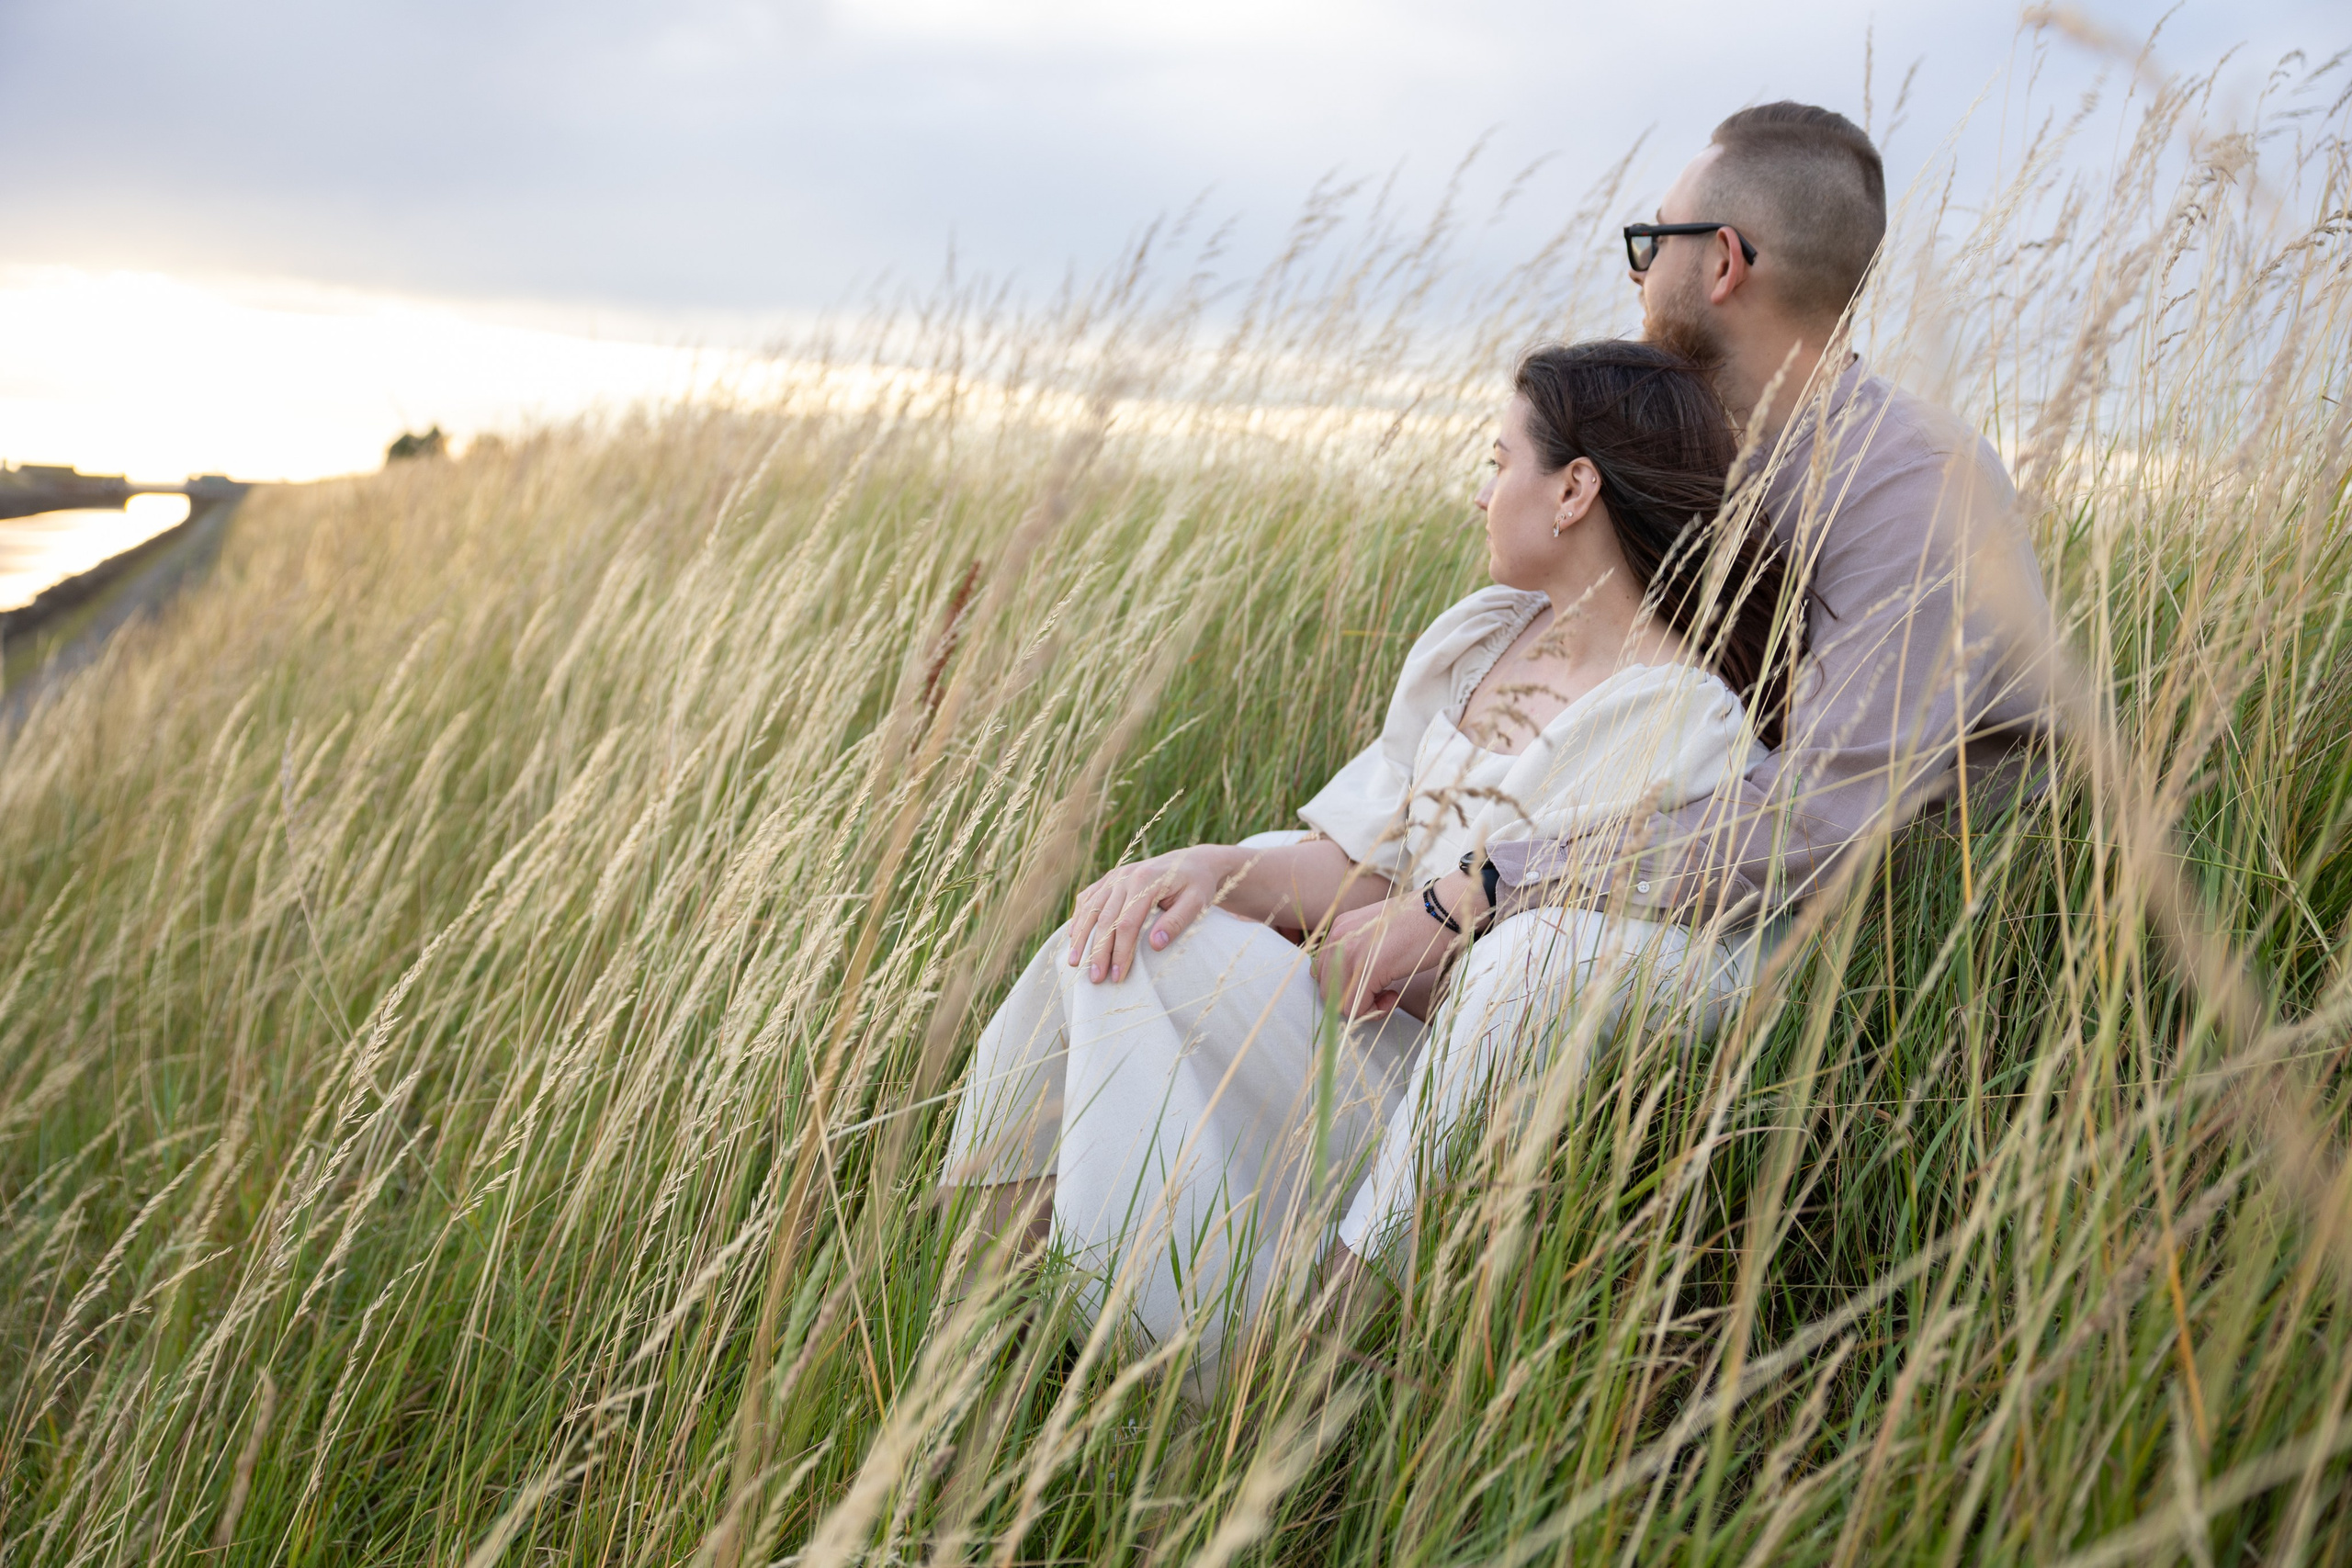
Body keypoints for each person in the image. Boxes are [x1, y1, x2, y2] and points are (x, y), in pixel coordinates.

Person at [940, 341, 1801, 1391]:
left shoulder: (1673, 715)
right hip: (1348, 1012)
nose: (1481, 494)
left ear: (1573, 489)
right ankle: (1003, 1295)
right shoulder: (1484, 639)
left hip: (1433, 1102)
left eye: (1500, 463)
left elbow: (1531, 968)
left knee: (1139, 968)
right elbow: (1361, 862)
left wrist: (1385, 936)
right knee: (1116, 936)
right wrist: (1207, 867)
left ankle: (1204, 1367)